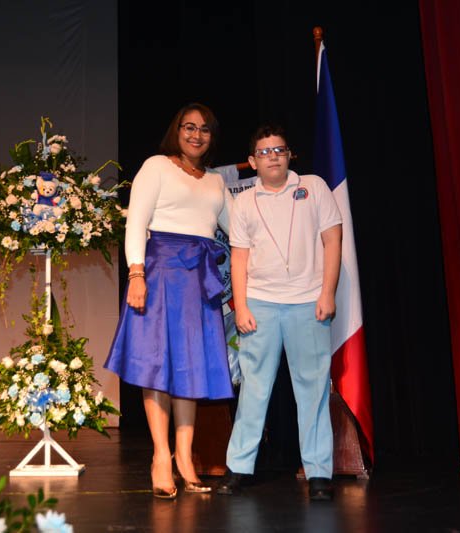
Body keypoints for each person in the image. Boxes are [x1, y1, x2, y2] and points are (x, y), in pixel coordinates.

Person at [105, 103, 234, 499]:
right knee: (157, 365)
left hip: (199, 282)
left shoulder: (216, 181)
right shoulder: (157, 166)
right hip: (159, 273)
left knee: (190, 368)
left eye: (205, 129)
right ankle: (161, 457)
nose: (196, 134)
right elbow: (136, 223)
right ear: (176, 131)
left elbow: (241, 229)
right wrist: (136, 274)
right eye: (189, 127)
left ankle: (184, 458)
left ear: (212, 137)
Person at [216, 124, 343, 501]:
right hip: (260, 305)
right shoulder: (243, 202)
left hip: (309, 303)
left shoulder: (314, 187)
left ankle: (319, 473)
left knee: (313, 390)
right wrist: (241, 306)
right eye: (265, 152)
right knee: (254, 389)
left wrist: (327, 293)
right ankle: (239, 467)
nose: (273, 157)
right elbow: (239, 258)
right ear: (252, 161)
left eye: (279, 150)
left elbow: (333, 241)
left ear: (289, 155)